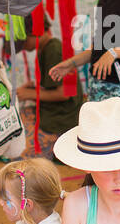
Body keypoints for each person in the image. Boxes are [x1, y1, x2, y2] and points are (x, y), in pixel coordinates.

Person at [14, 12, 81, 160]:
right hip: (53, 112)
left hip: (63, 119)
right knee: (17, 124)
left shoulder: (53, 50)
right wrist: (31, 89)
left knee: (20, 156)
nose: (23, 46)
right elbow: (52, 87)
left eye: (23, 40)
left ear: (34, 33)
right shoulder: (44, 49)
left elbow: (65, 93)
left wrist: (31, 94)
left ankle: (60, 148)